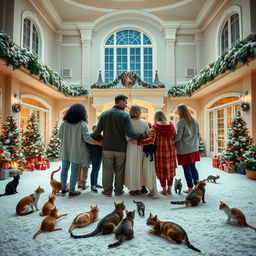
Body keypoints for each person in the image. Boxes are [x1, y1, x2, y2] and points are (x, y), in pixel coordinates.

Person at [92, 95, 143, 197]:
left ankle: (107, 191)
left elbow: (96, 133)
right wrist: (141, 136)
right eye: (125, 102)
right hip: (121, 148)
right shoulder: (125, 116)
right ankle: (118, 191)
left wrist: (102, 140)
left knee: (107, 170)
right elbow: (129, 133)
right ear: (120, 102)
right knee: (120, 170)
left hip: (107, 148)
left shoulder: (104, 114)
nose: (126, 105)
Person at [58, 104, 102, 197]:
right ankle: (72, 191)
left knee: (64, 169)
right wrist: (99, 143)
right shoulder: (82, 124)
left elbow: (59, 136)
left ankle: (63, 188)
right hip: (77, 150)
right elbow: (87, 139)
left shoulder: (63, 123)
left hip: (65, 149)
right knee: (74, 170)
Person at [131, 110, 176, 196]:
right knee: (170, 169)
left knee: (161, 170)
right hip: (171, 150)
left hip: (160, 151)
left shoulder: (155, 127)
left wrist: (138, 142)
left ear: (156, 117)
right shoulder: (171, 125)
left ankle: (164, 190)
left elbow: (151, 140)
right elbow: (174, 136)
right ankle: (169, 189)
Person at [124, 105, 158, 198]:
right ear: (139, 112)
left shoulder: (127, 122)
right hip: (141, 146)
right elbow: (148, 135)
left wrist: (131, 139)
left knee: (132, 166)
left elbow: (126, 136)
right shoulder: (144, 122)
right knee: (140, 166)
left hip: (131, 146)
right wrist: (141, 136)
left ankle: (133, 188)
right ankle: (140, 187)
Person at [174, 104, 200, 194]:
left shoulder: (181, 122)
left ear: (180, 111)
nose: (176, 112)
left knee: (186, 169)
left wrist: (171, 142)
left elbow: (178, 137)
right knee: (193, 167)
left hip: (184, 149)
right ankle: (197, 186)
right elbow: (198, 135)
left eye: (177, 110)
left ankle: (190, 188)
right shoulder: (194, 121)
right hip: (194, 148)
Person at [86, 124, 103, 193]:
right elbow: (88, 146)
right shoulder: (91, 136)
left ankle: (95, 183)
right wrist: (99, 144)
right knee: (94, 169)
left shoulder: (100, 136)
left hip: (100, 155)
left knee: (97, 169)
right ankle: (92, 185)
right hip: (94, 154)